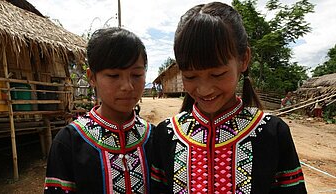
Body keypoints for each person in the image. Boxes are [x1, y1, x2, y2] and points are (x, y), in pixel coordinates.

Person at [150, 2, 307, 193]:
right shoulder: (166, 135)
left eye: (217, 74)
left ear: (244, 59)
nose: (205, 89)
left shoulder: (272, 133)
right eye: (190, 77)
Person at [44, 27, 153, 194]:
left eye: (137, 75)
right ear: (92, 77)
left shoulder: (153, 137)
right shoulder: (69, 142)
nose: (127, 86)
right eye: (114, 76)